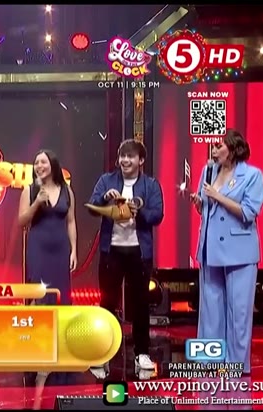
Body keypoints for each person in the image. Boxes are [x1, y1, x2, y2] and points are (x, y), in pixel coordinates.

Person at [87, 139, 164, 379]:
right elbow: (91, 207)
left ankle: (142, 353)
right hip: (112, 251)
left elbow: (157, 215)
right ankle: (103, 354)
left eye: (130, 156)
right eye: (122, 156)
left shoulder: (151, 185)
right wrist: (104, 199)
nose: (125, 161)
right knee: (107, 304)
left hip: (139, 253)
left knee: (140, 305)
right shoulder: (106, 181)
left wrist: (138, 211)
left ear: (141, 160)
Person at [191, 130, 263, 375]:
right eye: (213, 146)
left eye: (218, 146)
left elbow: (248, 212)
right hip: (210, 249)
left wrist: (218, 196)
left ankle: (237, 365)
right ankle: (209, 362)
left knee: (238, 312)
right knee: (210, 311)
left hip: (239, 252)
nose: (214, 151)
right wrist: (200, 203)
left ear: (233, 149)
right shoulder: (208, 171)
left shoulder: (252, 175)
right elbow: (207, 210)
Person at [18, 149, 77, 388]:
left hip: (60, 249)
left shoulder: (67, 191)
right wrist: (37, 203)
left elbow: (71, 221)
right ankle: (36, 347)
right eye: (36, 163)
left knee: (61, 297)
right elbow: (22, 221)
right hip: (38, 249)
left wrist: (74, 250)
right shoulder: (29, 190)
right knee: (39, 296)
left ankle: (59, 348)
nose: (39, 166)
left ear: (52, 165)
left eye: (43, 162)